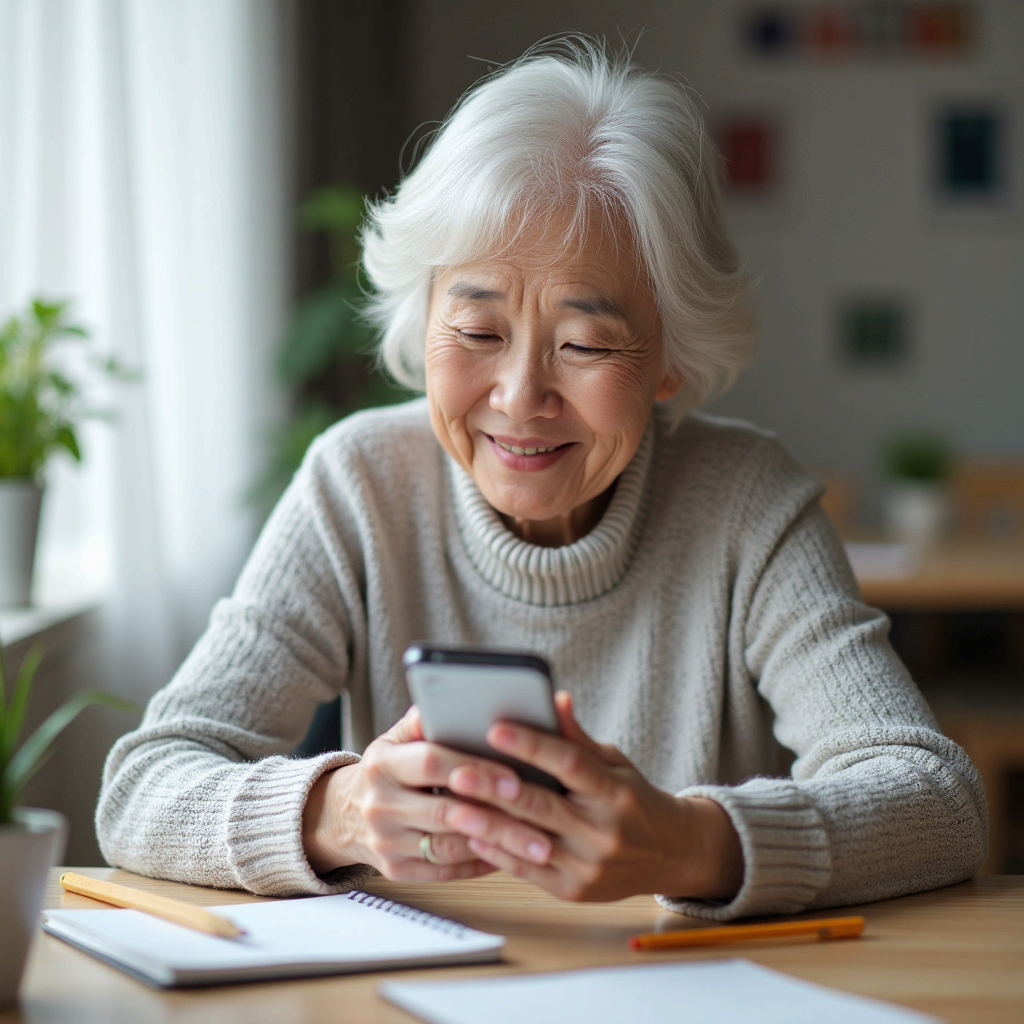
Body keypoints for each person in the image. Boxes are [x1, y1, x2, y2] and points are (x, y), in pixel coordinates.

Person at [97, 39, 986, 920]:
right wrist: (341, 814)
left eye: (586, 345)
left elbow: (937, 801)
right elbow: (144, 786)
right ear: (424, 317)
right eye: (478, 332)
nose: (520, 398)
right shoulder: (359, 484)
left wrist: (687, 841)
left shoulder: (747, 505)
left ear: (668, 359)